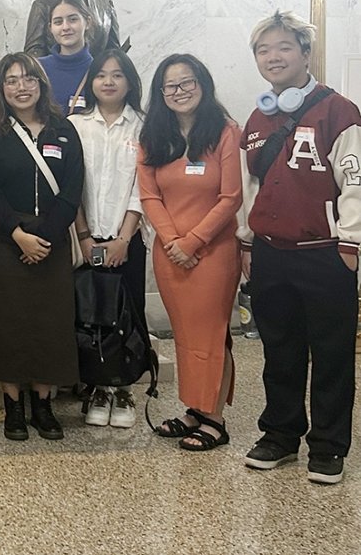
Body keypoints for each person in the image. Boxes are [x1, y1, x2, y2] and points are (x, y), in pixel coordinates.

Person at [238, 12, 361, 484]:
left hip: (324, 251)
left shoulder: (338, 110)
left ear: (304, 53)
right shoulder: (257, 117)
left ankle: (329, 447)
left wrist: (349, 243)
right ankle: (280, 434)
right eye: (264, 50)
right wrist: (247, 241)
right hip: (270, 253)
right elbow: (251, 187)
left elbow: (354, 179)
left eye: (284, 47)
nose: (273, 57)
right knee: (279, 350)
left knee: (331, 354)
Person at [0, 53, 84, 442]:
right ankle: (14, 406)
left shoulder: (64, 130)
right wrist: (18, 233)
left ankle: (43, 404)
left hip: (50, 240)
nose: (21, 87)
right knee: (7, 324)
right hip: (5, 240)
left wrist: (47, 238)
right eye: (12, 80)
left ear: (41, 84)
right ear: (2, 88)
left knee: (48, 324)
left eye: (29, 79)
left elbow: (71, 192)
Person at [137, 54, 242, 452]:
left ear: (203, 84)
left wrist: (192, 242)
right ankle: (195, 409)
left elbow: (231, 197)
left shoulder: (225, 131)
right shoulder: (154, 136)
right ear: (160, 93)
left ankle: (215, 419)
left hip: (213, 253)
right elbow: (149, 194)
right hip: (169, 252)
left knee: (211, 334)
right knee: (183, 333)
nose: (179, 92)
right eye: (171, 86)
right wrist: (171, 241)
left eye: (187, 83)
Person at [69, 48, 146, 428]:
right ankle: (97, 386)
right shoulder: (77, 126)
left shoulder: (144, 127)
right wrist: (84, 237)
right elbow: (73, 187)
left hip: (127, 239)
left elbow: (142, 188)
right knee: (89, 314)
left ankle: (124, 388)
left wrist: (124, 239)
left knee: (128, 315)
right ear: (92, 82)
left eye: (117, 75)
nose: (109, 81)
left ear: (129, 82)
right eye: (101, 75)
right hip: (86, 238)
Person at [38, 0, 94, 116]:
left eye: (73, 19)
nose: (65, 27)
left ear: (88, 22)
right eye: (58, 22)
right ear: (50, 28)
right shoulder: (38, 69)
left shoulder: (99, 70)